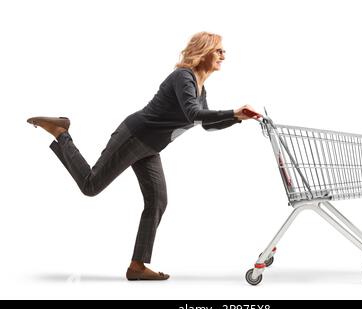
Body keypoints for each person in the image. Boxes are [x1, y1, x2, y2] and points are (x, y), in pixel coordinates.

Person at [27, 31, 260, 281]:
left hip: (151, 147)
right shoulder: (183, 77)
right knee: (91, 186)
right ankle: (62, 133)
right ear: (203, 51)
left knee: (157, 201)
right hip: (135, 136)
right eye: (219, 50)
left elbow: (207, 125)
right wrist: (232, 111)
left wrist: (237, 118)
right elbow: (193, 115)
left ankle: (137, 266)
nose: (224, 55)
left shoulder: (200, 89)